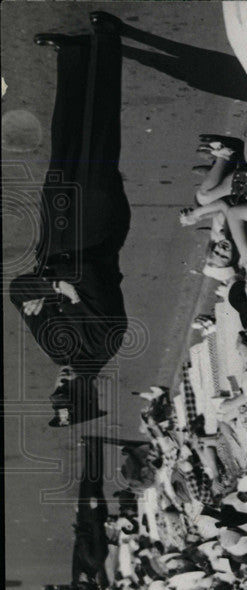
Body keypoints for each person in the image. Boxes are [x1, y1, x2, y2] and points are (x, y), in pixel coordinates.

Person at [10, 13, 130, 425]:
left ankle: (74, 57)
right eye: (66, 392)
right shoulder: (107, 341)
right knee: (98, 133)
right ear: (86, 391)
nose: (58, 385)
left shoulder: (55, 347)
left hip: (56, 237)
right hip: (97, 229)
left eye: (54, 392)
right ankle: (108, 41)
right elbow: (94, 277)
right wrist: (62, 289)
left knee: (63, 142)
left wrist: (55, 287)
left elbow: (16, 290)